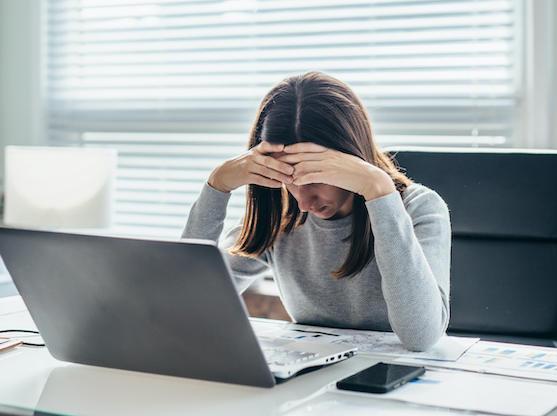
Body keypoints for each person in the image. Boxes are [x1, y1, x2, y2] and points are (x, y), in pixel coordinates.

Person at [182, 71, 451, 351]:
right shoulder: (283, 217)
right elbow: (186, 307)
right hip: (314, 380)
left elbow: (420, 337)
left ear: (352, 160)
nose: (304, 203)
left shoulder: (421, 208)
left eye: (316, 177)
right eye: (291, 181)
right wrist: (217, 186)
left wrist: (378, 188)